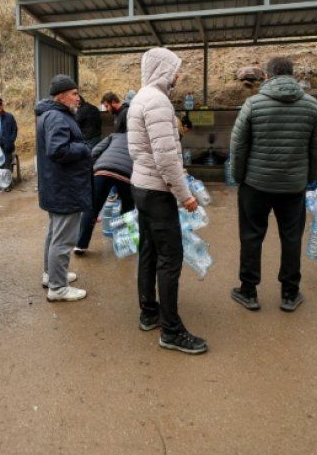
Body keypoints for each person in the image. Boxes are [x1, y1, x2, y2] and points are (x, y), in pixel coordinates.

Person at [229, 57, 317, 313]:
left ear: (268, 76)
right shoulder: (312, 106)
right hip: (293, 187)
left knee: (251, 236)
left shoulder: (253, 104)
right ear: (292, 75)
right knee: (292, 238)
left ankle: (249, 291)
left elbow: (238, 146)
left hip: (255, 184)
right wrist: (309, 178)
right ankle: (289, 293)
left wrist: (239, 177)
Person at [128, 47, 207, 354]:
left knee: (148, 250)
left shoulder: (141, 98)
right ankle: (171, 331)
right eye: (175, 70)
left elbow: (154, 151)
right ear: (163, 69)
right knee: (170, 259)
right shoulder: (157, 102)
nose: (177, 76)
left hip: (142, 186)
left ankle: (149, 312)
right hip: (158, 191)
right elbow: (165, 157)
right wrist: (184, 195)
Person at [36, 74, 91, 301]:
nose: (78, 98)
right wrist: (83, 148)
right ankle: (58, 288)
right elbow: (58, 150)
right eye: (74, 94)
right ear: (61, 96)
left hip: (56, 186)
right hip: (65, 188)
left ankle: (52, 275)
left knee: (54, 233)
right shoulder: (57, 117)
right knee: (64, 239)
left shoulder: (51, 114)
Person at [73, 113, 135, 255]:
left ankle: (80, 245)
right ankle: (124, 243)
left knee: (92, 208)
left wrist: (91, 168)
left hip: (102, 171)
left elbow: (94, 151)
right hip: (126, 175)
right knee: (128, 209)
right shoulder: (139, 140)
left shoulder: (113, 136)